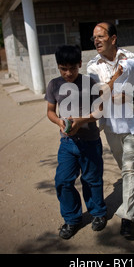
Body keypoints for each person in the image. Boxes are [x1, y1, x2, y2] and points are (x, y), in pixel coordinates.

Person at [86, 22, 134, 239]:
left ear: (113, 39)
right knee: (124, 164)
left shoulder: (132, 59)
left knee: (129, 168)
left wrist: (132, 96)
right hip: (111, 126)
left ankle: (128, 217)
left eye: (100, 36)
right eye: (93, 37)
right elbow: (101, 92)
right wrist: (114, 83)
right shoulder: (92, 66)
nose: (96, 40)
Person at [45, 45, 107, 240]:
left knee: (92, 180)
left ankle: (97, 213)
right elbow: (50, 112)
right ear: (58, 67)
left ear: (80, 64)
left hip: (90, 142)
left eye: (72, 68)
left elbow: (100, 111)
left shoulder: (90, 83)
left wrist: (81, 121)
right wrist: (59, 122)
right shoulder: (54, 85)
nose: (68, 73)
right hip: (67, 143)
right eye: (63, 68)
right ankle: (72, 218)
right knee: (63, 181)